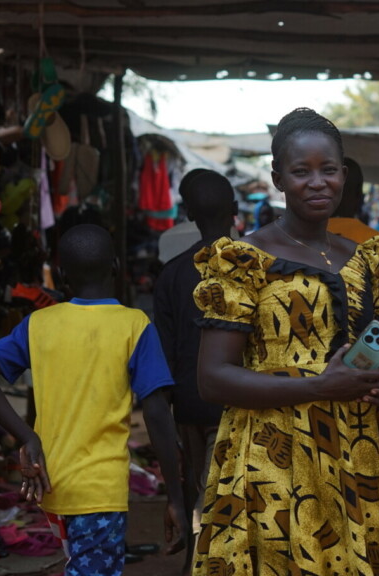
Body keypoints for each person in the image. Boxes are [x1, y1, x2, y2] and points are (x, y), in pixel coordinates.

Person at [190, 107, 379, 576]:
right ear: (278, 178)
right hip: (275, 455)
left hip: (357, 450)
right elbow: (212, 379)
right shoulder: (244, 260)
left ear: (343, 176)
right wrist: (316, 388)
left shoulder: (364, 258)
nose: (317, 182)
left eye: (328, 170)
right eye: (301, 171)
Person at [0, 223, 187, 576]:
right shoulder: (134, 325)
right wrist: (175, 495)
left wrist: (27, 436)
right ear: (115, 266)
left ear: (63, 273)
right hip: (99, 490)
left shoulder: (39, 323)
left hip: (52, 485)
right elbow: (157, 413)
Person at [152, 168, 236, 575]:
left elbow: (165, 356)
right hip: (242, 400)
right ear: (236, 212)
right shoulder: (261, 267)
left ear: (188, 215)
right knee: (228, 493)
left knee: (196, 487)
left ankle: (193, 561)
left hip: (188, 401)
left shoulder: (171, 274)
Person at [327, 156, 379, 416]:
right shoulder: (375, 241)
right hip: (366, 367)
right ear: (360, 197)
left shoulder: (296, 238)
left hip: (308, 374)